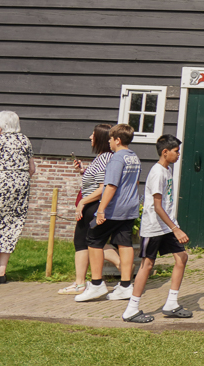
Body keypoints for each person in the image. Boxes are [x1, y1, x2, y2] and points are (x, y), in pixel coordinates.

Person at [123, 134, 191, 323]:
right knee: (147, 265)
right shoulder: (157, 172)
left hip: (167, 226)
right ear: (165, 152)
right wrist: (176, 229)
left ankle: (171, 304)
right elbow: (158, 206)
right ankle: (131, 309)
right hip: (154, 227)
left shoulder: (167, 170)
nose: (178, 155)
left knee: (182, 257)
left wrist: (173, 226)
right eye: (176, 152)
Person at [75, 123, 141, 302]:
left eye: (111, 139)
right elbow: (134, 184)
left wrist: (102, 209)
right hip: (130, 208)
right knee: (124, 243)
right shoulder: (134, 157)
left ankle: (96, 284)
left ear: (117, 140)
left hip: (114, 209)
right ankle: (126, 286)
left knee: (93, 240)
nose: (109, 142)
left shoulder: (117, 159)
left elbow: (110, 186)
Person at [58, 123, 121, 295]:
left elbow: (103, 187)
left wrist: (82, 202)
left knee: (85, 242)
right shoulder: (104, 157)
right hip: (91, 205)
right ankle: (80, 282)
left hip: (92, 206)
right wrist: (83, 171)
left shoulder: (103, 159)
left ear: (100, 138)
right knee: (88, 242)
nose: (90, 138)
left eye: (93, 135)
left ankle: (121, 267)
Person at [0, 111, 37, 284]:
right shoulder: (24, 140)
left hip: (0, 187)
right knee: (10, 226)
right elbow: (32, 169)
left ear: (2, 125)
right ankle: (1, 273)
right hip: (21, 189)